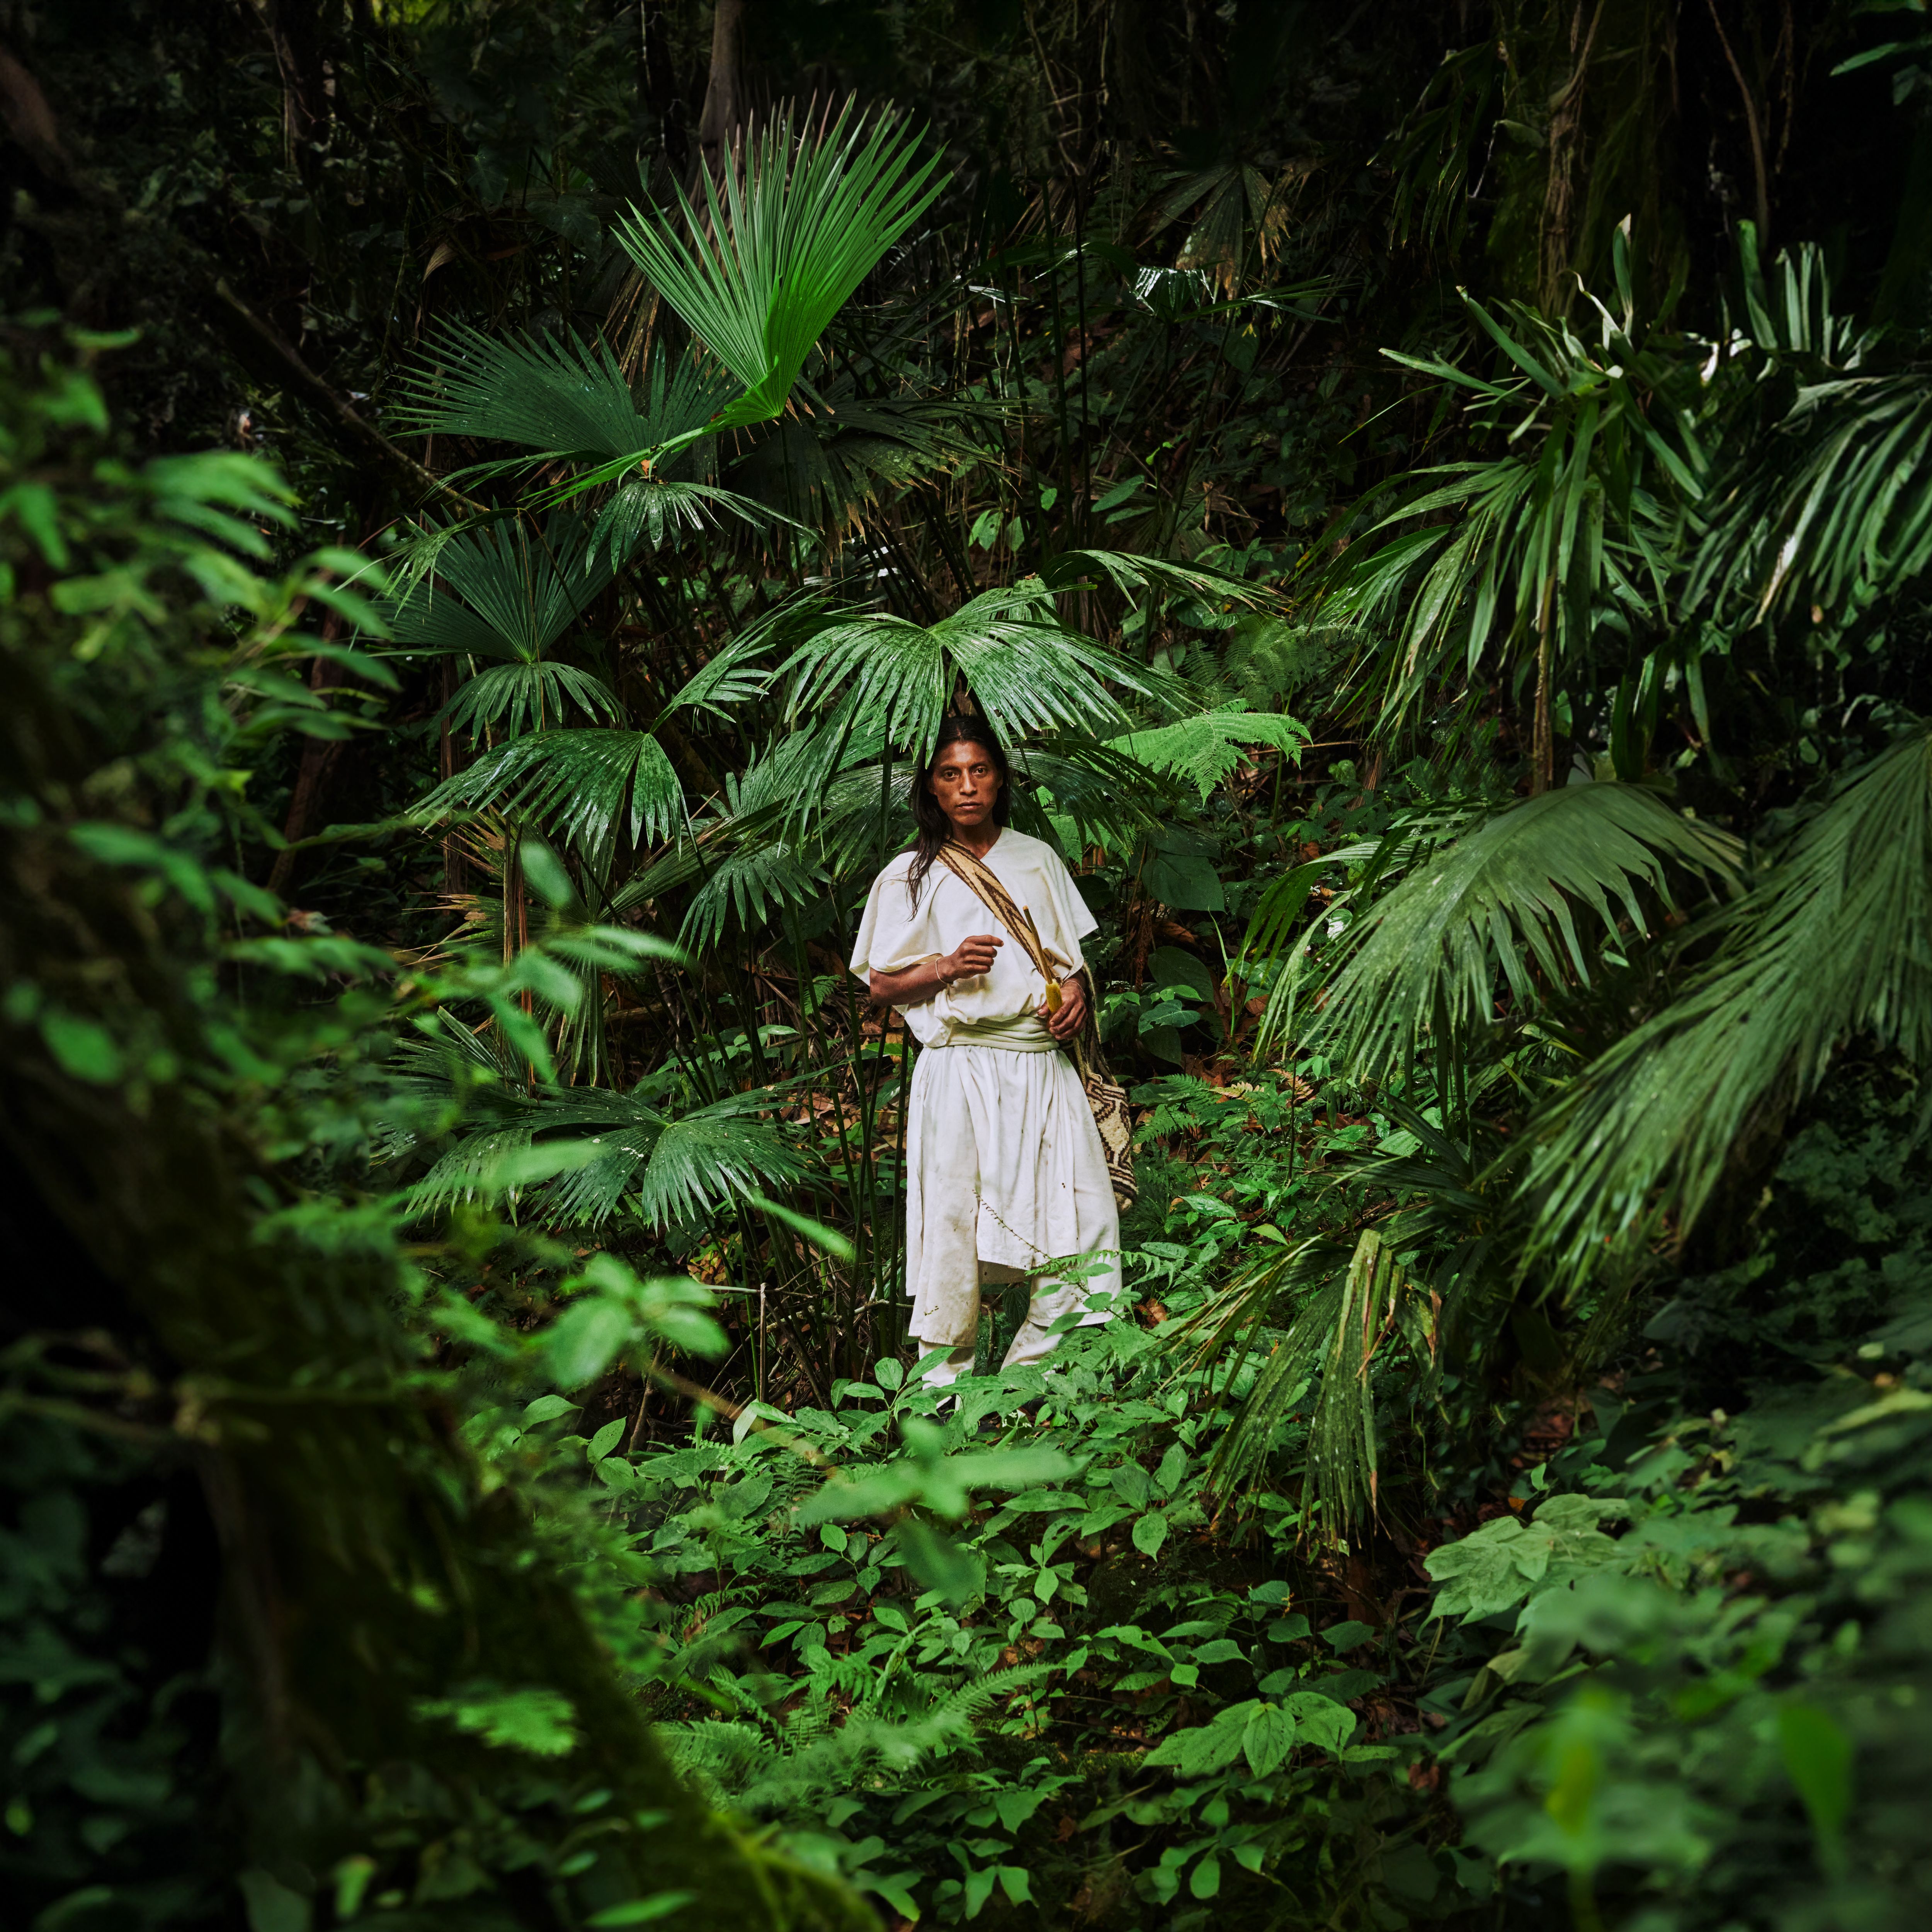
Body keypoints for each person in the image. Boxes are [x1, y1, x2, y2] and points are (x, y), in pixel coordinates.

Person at [850, 716, 1122, 1389]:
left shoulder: (1036, 859)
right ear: (932, 789)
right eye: (950, 774)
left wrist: (1080, 995)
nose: (966, 787)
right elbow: (880, 985)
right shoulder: (907, 877)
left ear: (1000, 781)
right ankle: (943, 1394)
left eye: (979, 772)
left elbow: (1073, 961)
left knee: (1083, 1219)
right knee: (953, 1227)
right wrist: (945, 966)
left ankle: (1027, 1386)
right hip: (961, 1068)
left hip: (1042, 1063)